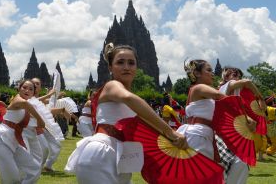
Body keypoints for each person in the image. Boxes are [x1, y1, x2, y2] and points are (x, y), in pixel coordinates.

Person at [65, 43, 187, 184]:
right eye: (120, 62)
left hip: (121, 156)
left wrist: (174, 139)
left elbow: (149, 125)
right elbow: (128, 98)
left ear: (136, 68)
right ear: (110, 67)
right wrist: (170, 132)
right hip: (102, 152)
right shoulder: (113, 86)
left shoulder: (132, 100)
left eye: (131, 63)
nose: (126, 67)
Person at [0, 80, 45, 183]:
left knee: (34, 169)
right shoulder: (18, 99)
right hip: (1, 140)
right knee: (12, 178)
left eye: (31, 89)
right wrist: (40, 120)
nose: (27, 90)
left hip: (15, 142)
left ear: (33, 93)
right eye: (24, 87)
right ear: (19, 89)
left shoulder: (27, 108)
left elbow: (30, 116)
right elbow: (25, 104)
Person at [218, 67, 264, 184]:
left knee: (234, 163)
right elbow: (247, 82)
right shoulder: (228, 85)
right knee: (237, 163)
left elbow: (258, 110)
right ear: (226, 77)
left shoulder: (237, 94)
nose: (236, 76)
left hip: (232, 130)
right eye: (233, 74)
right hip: (228, 131)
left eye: (238, 75)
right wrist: (260, 98)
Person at [177, 59, 225, 160]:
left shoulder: (200, 90)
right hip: (198, 134)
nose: (212, 74)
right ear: (197, 73)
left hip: (203, 134)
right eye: (208, 70)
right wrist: (241, 107)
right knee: (199, 171)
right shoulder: (198, 87)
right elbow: (218, 95)